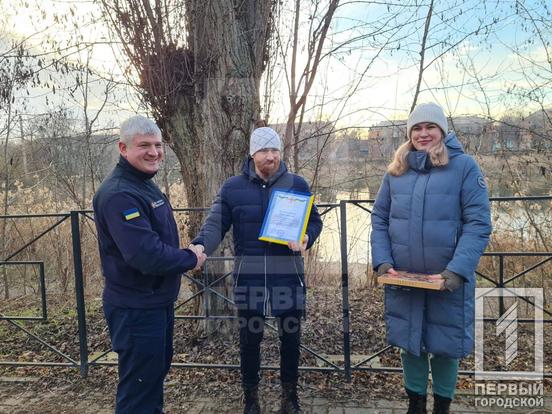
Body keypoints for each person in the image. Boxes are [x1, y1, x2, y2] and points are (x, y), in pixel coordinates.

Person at [190, 127, 323, 414]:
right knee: (250, 340)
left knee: (291, 338)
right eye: (264, 150)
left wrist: (306, 237)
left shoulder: (297, 184)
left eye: (275, 150)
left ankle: (289, 399)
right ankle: (251, 399)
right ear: (252, 154)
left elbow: (314, 221)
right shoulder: (232, 188)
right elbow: (215, 224)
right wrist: (200, 245)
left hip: (288, 274)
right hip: (249, 277)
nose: (270, 156)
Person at [370, 103, 492, 414]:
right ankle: (415, 406)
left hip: (446, 280)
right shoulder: (396, 171)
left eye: (430, 127)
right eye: (417, 128)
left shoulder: (464, 167)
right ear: (409, 133)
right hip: (404, 278)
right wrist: (383, 263)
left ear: (442, 131)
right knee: (410, 343)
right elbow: (379, 218)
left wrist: (456, 271)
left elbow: (478, 223)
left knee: (445, 346)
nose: (423, 134)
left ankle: (442, 407)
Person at [93, 115, 206, 414]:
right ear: (123, 148)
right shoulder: (120, 194)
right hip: (136, 309)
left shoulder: (144, 184)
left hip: (155, 302)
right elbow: (145, 254)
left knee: (152, 378)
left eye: (157, 145)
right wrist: (190, 258)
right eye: (144, 145)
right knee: (139, 390)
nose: (154, 152)